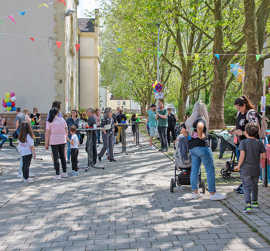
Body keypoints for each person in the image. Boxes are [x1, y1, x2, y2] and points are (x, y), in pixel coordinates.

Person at [185, 101, 225, 200]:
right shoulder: (201, 119)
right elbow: (200, 127)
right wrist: (201, 136)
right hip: (202, 147)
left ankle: (195, 192)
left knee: (195, 170)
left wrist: (193, 135)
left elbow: (184, 132)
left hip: (193, 148)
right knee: (210, 170)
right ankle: (212, 193)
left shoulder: (190, 120)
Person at [232, 95, 260, 194]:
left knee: (247, 166)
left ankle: (248, 186)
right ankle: (244, 183)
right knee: (242, 165)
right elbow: (239, 126)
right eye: (237, 108)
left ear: (244, 105)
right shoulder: (239, 113)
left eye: (239, 107)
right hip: (241, 143)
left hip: (250, 144)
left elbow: (254, 129)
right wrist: (234, 131)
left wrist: (243, 133)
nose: (238, 110)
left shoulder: (250, 113)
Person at [235, 123, 266, 213]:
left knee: (246, 186)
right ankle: (255, 202)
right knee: (255, 185)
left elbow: (242, 156)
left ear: (246, 132)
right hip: (256, 169)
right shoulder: (259, 143)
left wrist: (238, 165)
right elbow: (263, 157)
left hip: (246, 169)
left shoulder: (243, 142)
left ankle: (248, 205)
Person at [45, 107, 68, 180]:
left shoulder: (49, 121)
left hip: (54, 141)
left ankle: (58, 174)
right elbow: (66, 129)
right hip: (62, 140)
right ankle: (64, 172)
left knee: (56, 158)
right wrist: (65, 137)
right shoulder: (62, 119)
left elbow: (47, 133)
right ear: (57, 113)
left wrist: (46, 143)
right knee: (63, 157)